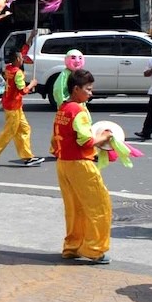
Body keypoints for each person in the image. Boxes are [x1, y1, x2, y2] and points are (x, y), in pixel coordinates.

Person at [52, 69, 114, 264]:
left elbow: (54, 141)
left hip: (63, 164)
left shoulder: (63, 108)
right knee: (99, 206)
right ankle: (94, 249)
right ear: (76, 88)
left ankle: (72, 246)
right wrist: (105, 137)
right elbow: (86, 141)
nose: (90, 93)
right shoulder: (79, 110)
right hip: (80, 164)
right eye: (88, 89)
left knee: (74, 208)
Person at [0, 46, 44, 167]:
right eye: (21, 57)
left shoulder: (8, 69)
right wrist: (32, 84)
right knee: (9, 132)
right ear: (17, 59)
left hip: (11, 105)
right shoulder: (18, 73)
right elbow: (22, 91)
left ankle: (27, 157)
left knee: (24, 129)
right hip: (13, 107)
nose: (22, 59)